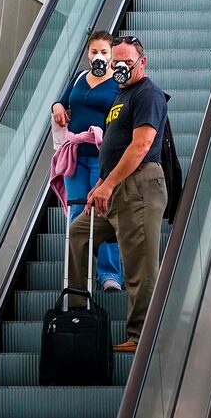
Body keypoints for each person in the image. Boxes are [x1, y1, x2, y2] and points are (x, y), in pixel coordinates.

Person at [67, 36, 168, 352]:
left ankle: (141, 336)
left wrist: (109, 184)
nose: (120, 67)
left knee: (140, 265)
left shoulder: (147, 94)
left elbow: (140, 146)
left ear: (142, 62)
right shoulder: (121, 96)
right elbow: (113, 144)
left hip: (139, 186)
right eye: (116, 63)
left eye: (126, 61)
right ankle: (78, 311)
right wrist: (101, 183)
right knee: (79, 233)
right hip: (114, 188)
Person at [51, 31, 124, 292]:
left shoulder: (117, 83)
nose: (99, 57)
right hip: (75, 158)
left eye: (104, 52)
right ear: (88, 53)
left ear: (112, 55)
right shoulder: (79, 78)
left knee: (103, 213)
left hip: (102, 159)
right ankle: (77, 277)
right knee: (75, 215)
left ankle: (109, 273)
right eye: (94, 52)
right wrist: (57, 106)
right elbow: (63, 101)